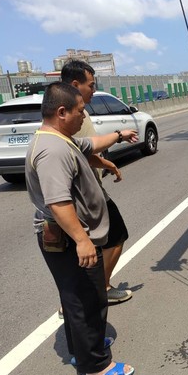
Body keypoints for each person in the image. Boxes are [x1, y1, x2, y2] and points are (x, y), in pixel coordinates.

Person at [25, 82, 137, 375]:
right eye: (79, 111)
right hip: (67, 240)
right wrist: (83, 240)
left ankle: (83, 350)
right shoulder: (52, 150)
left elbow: (91, 145)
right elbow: (58, 202)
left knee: (77, 297)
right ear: (62, 112)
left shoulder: (61, 139)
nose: (83, 116)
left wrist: (118, 136)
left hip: (68, 238)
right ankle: (95, 367)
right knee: (88, 299)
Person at [61, 60, 132, 304]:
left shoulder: (75, 112)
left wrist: (106, 163)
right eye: (91, 85)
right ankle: (96, 291)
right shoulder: (70, 116)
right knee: (115, 235)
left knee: (93, 247)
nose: (93, 89)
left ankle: (87, 294)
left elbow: (84, 148)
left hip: (90, 190)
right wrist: (119, 137)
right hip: (87, 195)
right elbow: (83, 148)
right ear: (75, 84)